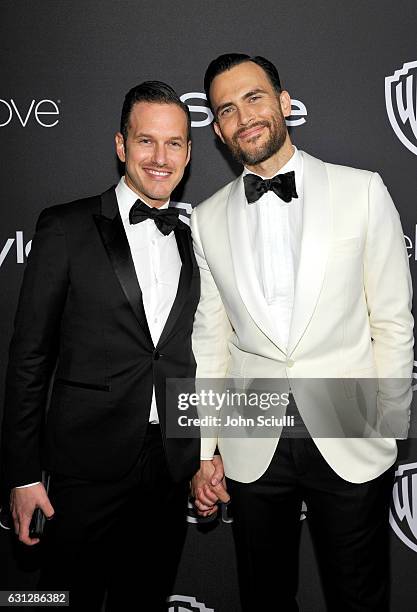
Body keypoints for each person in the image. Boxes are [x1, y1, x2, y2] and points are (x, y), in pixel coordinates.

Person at [191, 53, 414, 611]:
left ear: (284, 103)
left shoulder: (361, 189)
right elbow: (211, 342)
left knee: (358, 595)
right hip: (250, 432)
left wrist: (386, 422)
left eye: (254, 98)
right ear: (217, 130)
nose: (244, 117)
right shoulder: (207, 217)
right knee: (264, 596)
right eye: (226, 110)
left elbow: (391, 319)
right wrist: (206, 447)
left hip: (349, 424)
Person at [2, 81, 200, 611]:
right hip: (84, 467)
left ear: (188, 152)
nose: (160, 157)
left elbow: (186, 356)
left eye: (175, 143)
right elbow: (29, 361)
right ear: (120, 145)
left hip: (167, 467)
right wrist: (22, 475)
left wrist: (204, 451)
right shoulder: (65, 227)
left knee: (145, 598)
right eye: (146, 141)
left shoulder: (188, 238)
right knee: (67, 600)